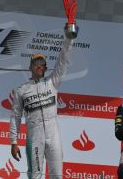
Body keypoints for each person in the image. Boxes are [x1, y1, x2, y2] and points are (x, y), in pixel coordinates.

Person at [10, 33, 74, 179]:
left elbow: (63, 60)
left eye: (42, 64)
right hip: (35, 134)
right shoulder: (21, 90)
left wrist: (70, 38)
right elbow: (15, 117)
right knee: (35, 175)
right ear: (30, 67)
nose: (39, 66)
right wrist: (13, 142)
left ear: (46, 68)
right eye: (35, 64)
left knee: (57, 175)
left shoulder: (52, 82)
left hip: (53, 133)